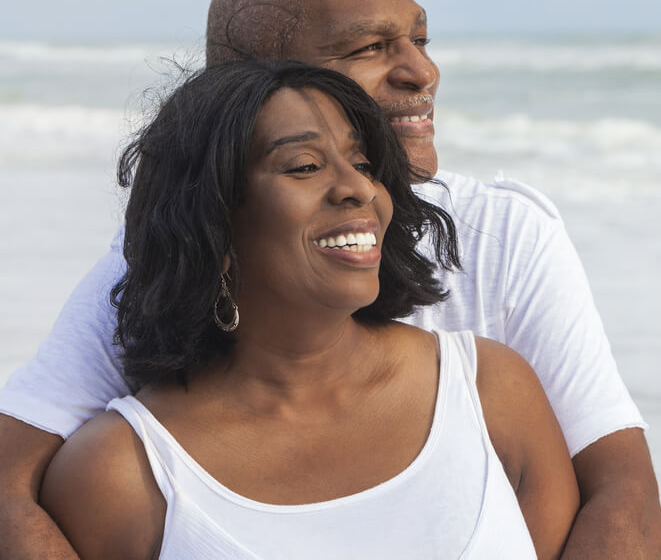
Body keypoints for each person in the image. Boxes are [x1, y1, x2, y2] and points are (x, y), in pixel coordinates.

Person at [0, 0, 661, 558]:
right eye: (370, 49)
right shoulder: (157, 273)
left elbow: (627, 502)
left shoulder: (502, 247)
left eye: (421, 38)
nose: (422, 69)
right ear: (246, 86)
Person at [38, 59, 580, 558]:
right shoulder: (124, 474)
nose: (356, 188)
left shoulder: (490, 392)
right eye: (303, 166)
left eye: (363, 161)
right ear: (214, 223)